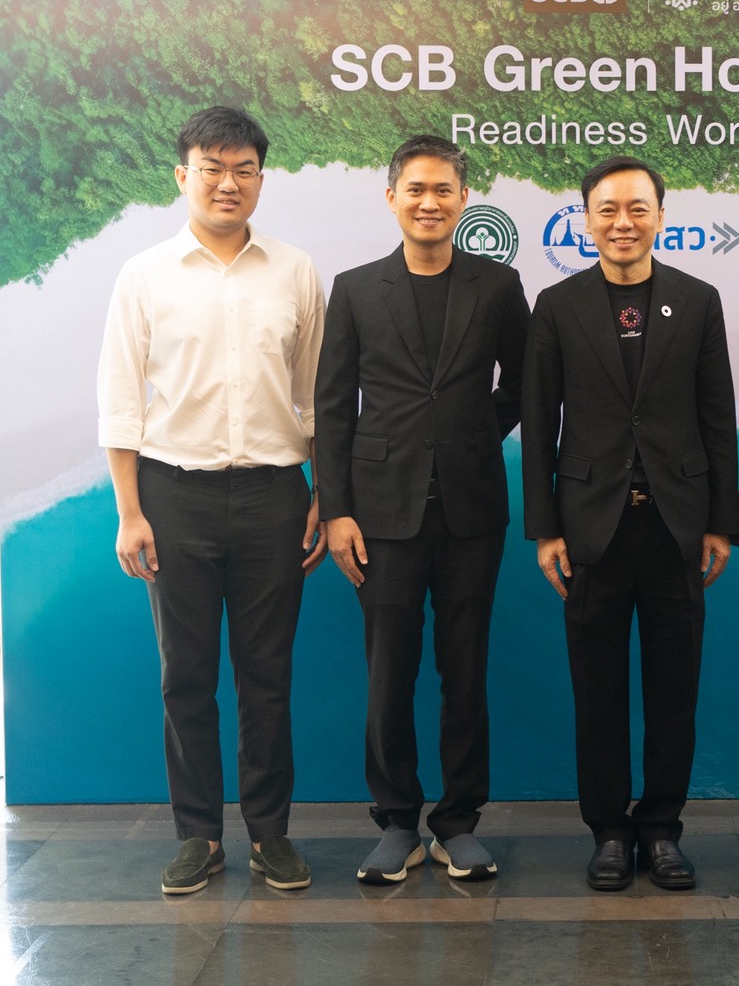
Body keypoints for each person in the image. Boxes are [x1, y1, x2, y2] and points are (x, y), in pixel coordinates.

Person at [97, 105, 325, 895]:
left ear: (261, 178)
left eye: (244, 170)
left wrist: (323, 493)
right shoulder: (144, 275)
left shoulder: (295, 271)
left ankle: (270, 835)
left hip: (274, 496)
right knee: (185, 676)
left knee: (267, 676)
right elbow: (120, 399)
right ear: (182, 175)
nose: (229, 183)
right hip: (173, 497)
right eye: (212, 169)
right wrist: (130, 511)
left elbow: (317, 397)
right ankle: (197, 835)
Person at [315, 135, 529, 883]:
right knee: (389, 675)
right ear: (392, 198)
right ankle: (397, 822)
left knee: (464, 673)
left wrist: (469, 435)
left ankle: (458, 822)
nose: (429, 202)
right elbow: (333, 406)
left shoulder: (498, 285)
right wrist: (336, 509)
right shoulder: (354, 288)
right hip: (379, 516)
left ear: (464, 199)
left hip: (472, 512)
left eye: (443, 190)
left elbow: (524, 384)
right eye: (416, 189)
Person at [521, 156, 737, 892]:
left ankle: (663, 829)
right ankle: (610, 831)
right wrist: (545, 528)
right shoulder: (557, 304)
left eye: (638, 208)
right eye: (608, 210)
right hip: (591, 530)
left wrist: (722, 523)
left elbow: (717, 416)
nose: (623, 222)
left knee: (675, 693)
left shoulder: (698, 300)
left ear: (660, 217)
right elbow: (539, 421)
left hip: (678, 528)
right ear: (586, 220)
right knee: (599, 693)